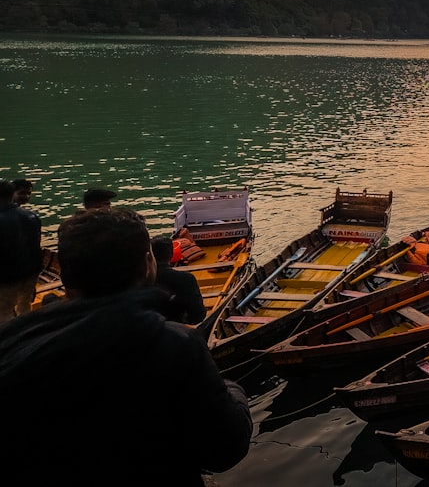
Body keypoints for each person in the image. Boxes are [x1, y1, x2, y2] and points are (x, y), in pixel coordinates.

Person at [0, 208, 252, 486]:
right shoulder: (172, 345)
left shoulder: (12, 342)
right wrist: (234, 390)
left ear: (64, 273)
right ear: (148, 264)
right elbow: (226, 448)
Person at [0, 180, 43, 323]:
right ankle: (26, 330)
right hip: (31, 272)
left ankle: (10, 342)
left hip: (8, 277)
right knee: (25, 307)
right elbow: (35, 245)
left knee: (4, 312)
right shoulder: (31, 216)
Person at [151, 236, 207, 325]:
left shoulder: (142, 279)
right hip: (178, 330)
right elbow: (198, 316)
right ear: (172, 254)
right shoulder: (186, 279)